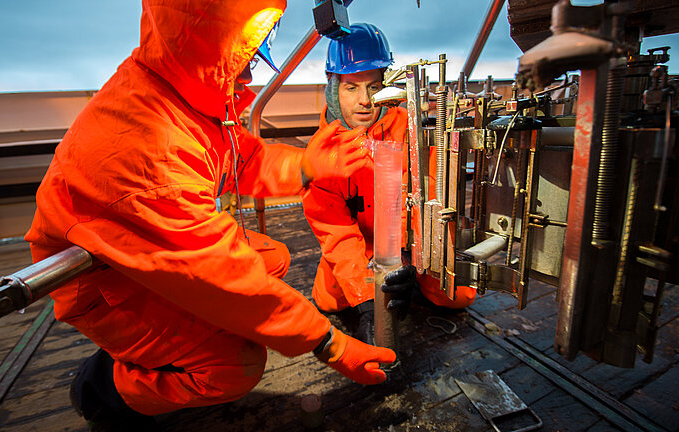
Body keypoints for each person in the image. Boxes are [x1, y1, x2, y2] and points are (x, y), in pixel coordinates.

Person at [25, 2, 396, 429]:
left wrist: (305, 167)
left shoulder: (176, 90)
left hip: (138, 248)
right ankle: (108, 389)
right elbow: (223, 276)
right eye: (242, 59)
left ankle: (158, 346)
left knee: (271, 258)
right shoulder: (149, 149)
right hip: (104, 281)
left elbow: (239, 157)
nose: (251, 75)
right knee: (234, 366)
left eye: (253, 57)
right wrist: (328, 343)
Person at [302, 23, 478, 345]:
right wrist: (370, 301)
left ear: (389, 86)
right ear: (333, 89)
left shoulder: (414, 134)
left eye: (373, 86)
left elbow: (431, 204)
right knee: (330, 298)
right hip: (360, 246)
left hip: (409, 242)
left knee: (460, 295)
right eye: (351, 87)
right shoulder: (321, 153)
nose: (364, 101)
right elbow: (336, 233)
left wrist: (410, 260)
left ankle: (412, 281)